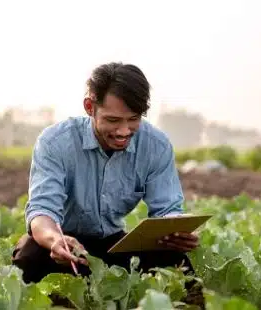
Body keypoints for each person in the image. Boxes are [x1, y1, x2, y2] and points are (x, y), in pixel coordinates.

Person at [12, 62, 203, 306]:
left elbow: (167, 210)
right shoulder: (55, 142)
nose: (123, 131)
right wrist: (54, 240)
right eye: (113, 120)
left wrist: (177, 232)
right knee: (28, 258)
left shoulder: (156, 145)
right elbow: (42, 212)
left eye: (133, 119)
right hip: (65, 247)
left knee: (178, 262)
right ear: (90, 107)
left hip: (114, 245)